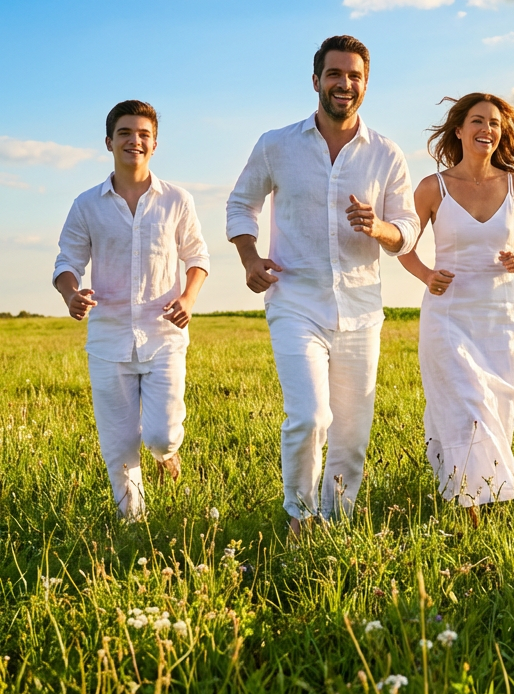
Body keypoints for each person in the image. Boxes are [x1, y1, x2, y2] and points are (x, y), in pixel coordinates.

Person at [226, 35, 419, 535]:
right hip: (295, 299)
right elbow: (241, 203)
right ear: (316, 80)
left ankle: (336, 522)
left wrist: (380, 228)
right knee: (310, 417)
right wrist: (249, 257)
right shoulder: (277, 145)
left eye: (355, 76)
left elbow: (408, 228)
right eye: (335, 74)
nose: (344, 84)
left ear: (366, 84)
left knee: (351, 434)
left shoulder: (386, 154)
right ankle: (300, 517)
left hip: (361, 306)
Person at [53, 100, 209, 518]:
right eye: (125, 133)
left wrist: (188, 298)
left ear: (155, 144)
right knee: (119, 445)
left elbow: (197, 256)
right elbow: (67, 262)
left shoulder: (177, 200)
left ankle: (166, 453)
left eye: (143, 134)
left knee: (161, 436)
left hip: (164, 337)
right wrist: (71, 294)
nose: (134, 141)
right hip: (109, 340)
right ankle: (133, 524)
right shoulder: (86, 204)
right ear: (109, 142)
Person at [399, 94, 514, 521]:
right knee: (465, 400)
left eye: (494, 123)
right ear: (458, 130)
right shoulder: (432, 187)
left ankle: (481, 489)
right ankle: (470, 504)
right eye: (478, 121)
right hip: (448, 313)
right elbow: (403, 245)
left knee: (497, 405)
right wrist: (426, 275)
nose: (487, 129)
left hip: (498, 314)